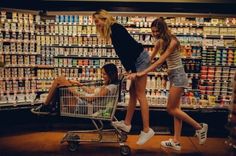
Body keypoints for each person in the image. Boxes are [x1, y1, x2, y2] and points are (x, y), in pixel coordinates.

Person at [128, 18, 208, 151]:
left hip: (179, 76)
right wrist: (135, 69)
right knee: (177, 110)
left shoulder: (173, 41)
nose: (154, 34)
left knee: (171, 109)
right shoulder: (159, 41)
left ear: (163, 29)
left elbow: (160, 61)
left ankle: (200, 127)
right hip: (173, 76)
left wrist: (142, 74)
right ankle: (176, 141)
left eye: (156, 31)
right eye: (152, 31)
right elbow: (150, 59)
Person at [92, 9, 154, 145]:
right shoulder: (113, 30)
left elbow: (127, 51)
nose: (96, 25)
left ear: (104, 18)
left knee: (140, 94)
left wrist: (132, 70)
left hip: (140, 60)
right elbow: (123, 54)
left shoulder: (116, 29)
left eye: (97, 21)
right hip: (136, 60)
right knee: (132, 94)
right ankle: (127, 123)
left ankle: (146, 129)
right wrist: (129, 70)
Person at [31, 63, 119, 115]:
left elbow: (90, 98)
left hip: (84, 107)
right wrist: (78, 84)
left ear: (111, 74)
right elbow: (91, 91)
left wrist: (75, 92)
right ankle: (49, 106)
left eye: (104, 74)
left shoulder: (110, 88)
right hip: (83, 104)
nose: (102, 76)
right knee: (60, 83)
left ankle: (46, 106)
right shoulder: (108, 86)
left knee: (60, 79)